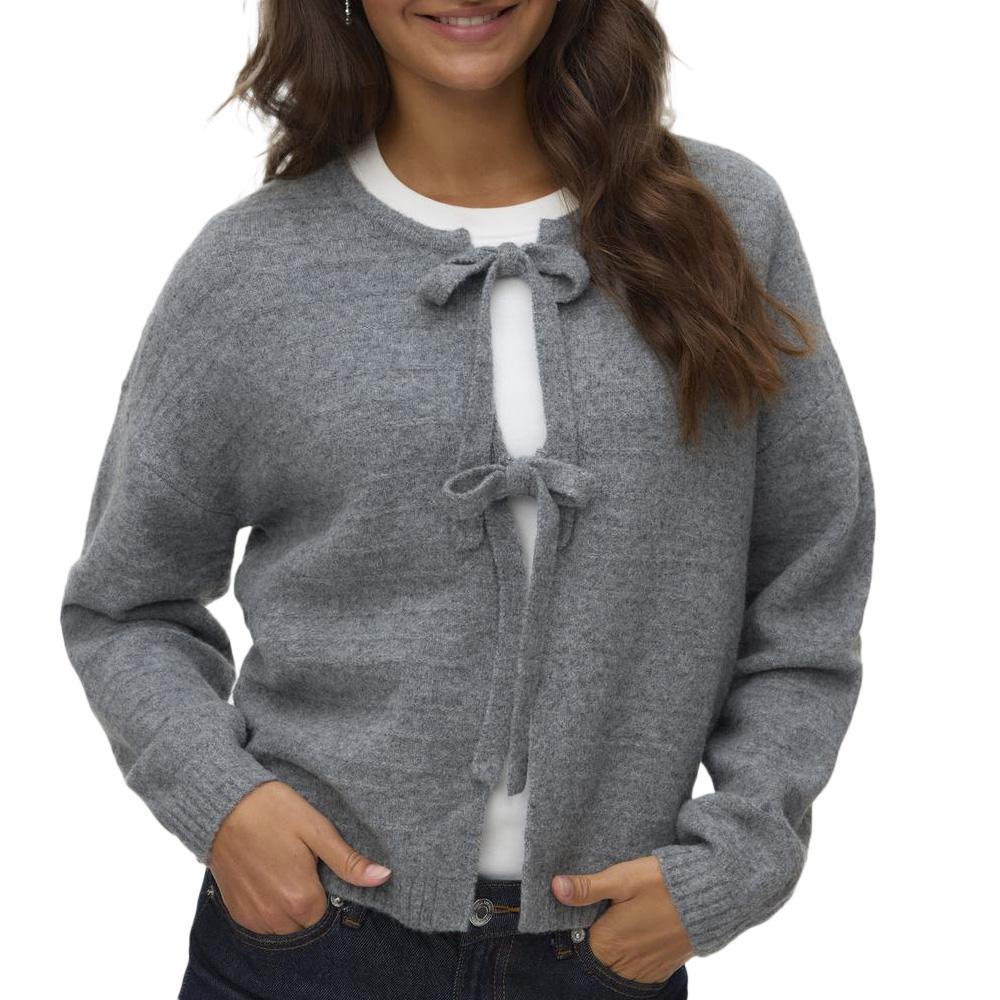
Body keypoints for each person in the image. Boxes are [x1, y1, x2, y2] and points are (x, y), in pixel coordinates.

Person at [58, 2, 876, 998]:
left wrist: (739, 856)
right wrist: (224, 802)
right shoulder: (253, 270)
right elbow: (125, 606)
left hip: (605, 953)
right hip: (309, 944)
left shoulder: (725, 224)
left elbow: (810, 576)